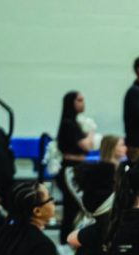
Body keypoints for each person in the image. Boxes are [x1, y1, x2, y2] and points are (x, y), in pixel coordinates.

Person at [56, 91, 94, 243]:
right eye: (79, 100)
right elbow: (86, 146)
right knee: (71, 208)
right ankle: (65, 243)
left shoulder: (75, 122)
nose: (82, 103)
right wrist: (91, 131)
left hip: (77, 168)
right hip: (69, 170)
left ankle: (73, 241)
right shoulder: (68, 123)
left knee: (77, 209)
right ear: (71, 103)